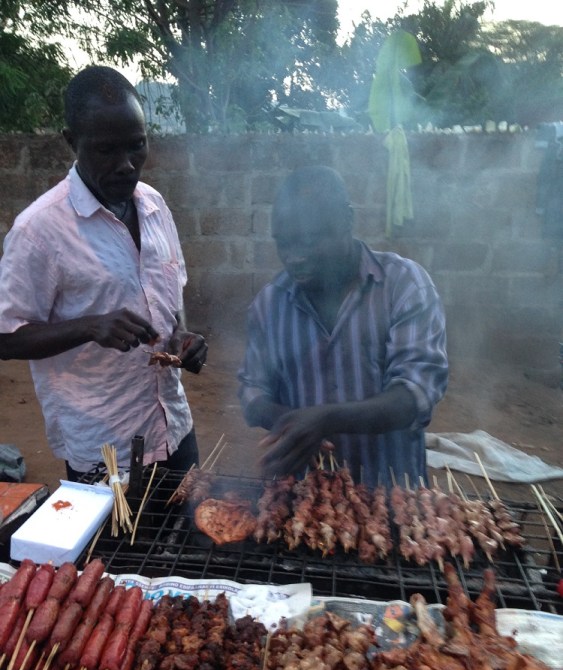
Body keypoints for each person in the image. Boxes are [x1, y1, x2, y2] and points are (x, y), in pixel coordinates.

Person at [0, 65, 208, 481]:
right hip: (105, 448)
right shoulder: (39, 230)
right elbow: (5, 338)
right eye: (106, 150)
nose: (127, 165)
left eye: (137, 146)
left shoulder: (153, 206)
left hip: (173, 429)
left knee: (190, 540)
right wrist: (90, 327)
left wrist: (183, 337)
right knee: (110, 548)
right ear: (72, 142)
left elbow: (170, 296)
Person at [238, 165, 448, 488]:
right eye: (284, 244)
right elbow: (252, 394)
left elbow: (414, 395)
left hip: (392, 494)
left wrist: (326, 420)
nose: (293, 258)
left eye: (308, 241)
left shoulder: (404, 286)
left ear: (347, 221)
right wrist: (286, 422)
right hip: (307, 496)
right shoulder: (269, 305)